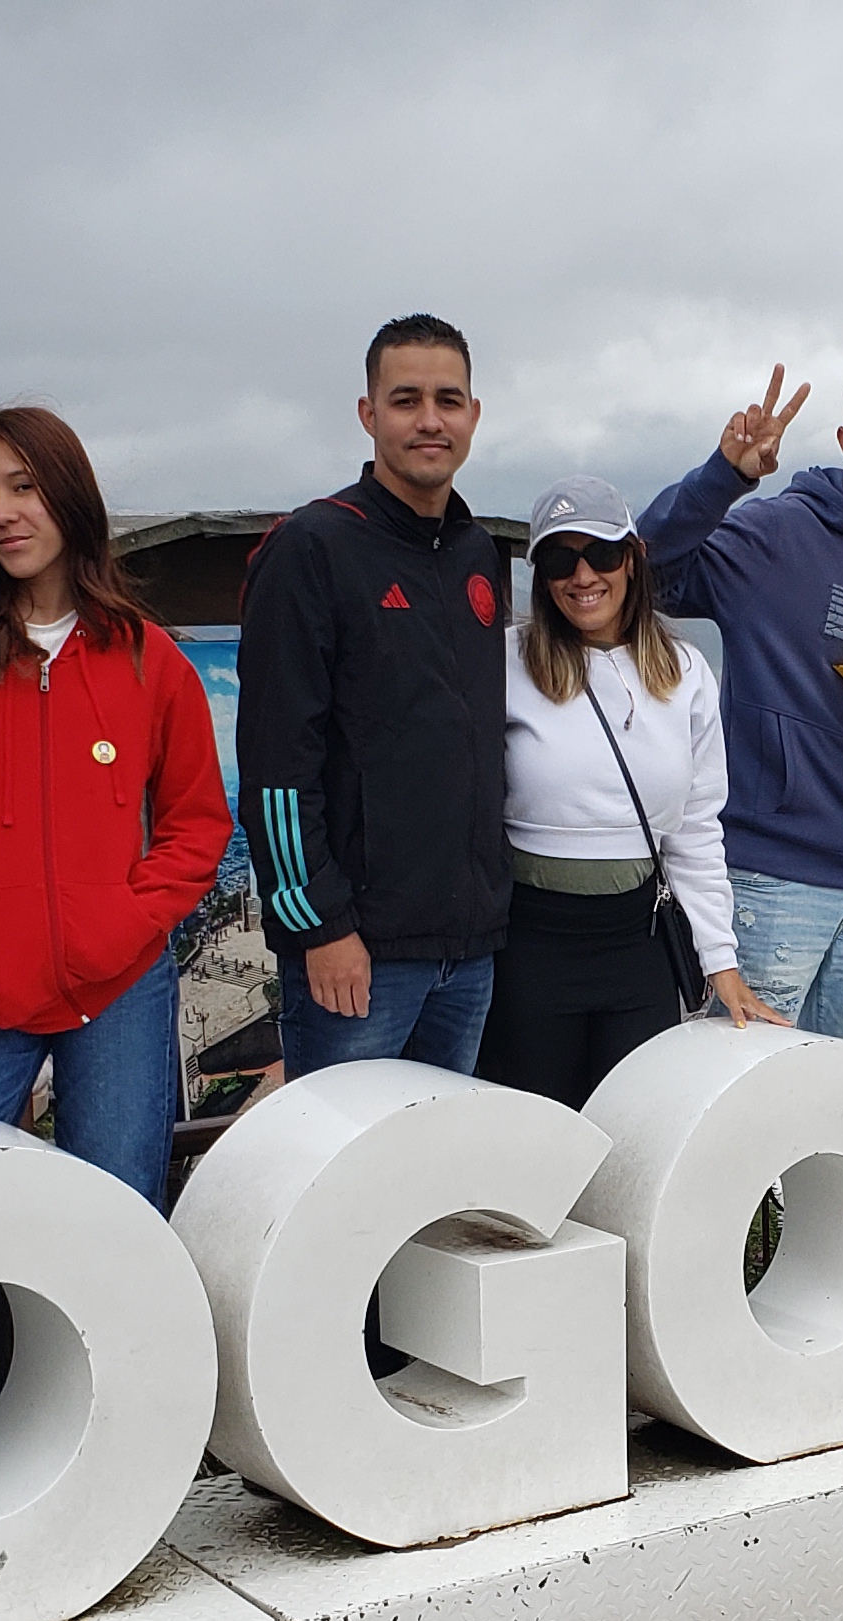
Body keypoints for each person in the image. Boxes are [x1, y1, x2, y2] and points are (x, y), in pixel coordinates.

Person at [0, 405, 232, 1446]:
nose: (3, 514)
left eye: (24, 487)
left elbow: (197, 823)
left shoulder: (145, 657)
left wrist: (125, 918)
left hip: (119, 985)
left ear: (69, 495)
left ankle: (105, 1448)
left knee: (117, 1231)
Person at [637, 359, 843, 1036]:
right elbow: (644, 569)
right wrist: (723, 477)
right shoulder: (776, 533)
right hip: (773, 877)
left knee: (839, 1106)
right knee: (747, 1098)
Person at [236, 314, 510, 1076]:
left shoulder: (478, 553)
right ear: (368, 414)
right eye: (406, 400)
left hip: (470, 950)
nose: (430, 420)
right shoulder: (312, 548)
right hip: (357, 953)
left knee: (439, 1179)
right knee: (340, 1176)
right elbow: (275, 762)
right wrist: (318, 925)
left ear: (474, 415)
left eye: (449, 400)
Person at [478, 476, 784, 1107]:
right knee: (535, 1134)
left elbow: (697, 827)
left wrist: (719, 961)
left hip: (636, 943)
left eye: (602, 554)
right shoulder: (504, 663)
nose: (583, 575)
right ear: (541, 575)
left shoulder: (684, 671)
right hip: (529, 944)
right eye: (561, 558)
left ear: (632, 560)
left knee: (630, 1133)